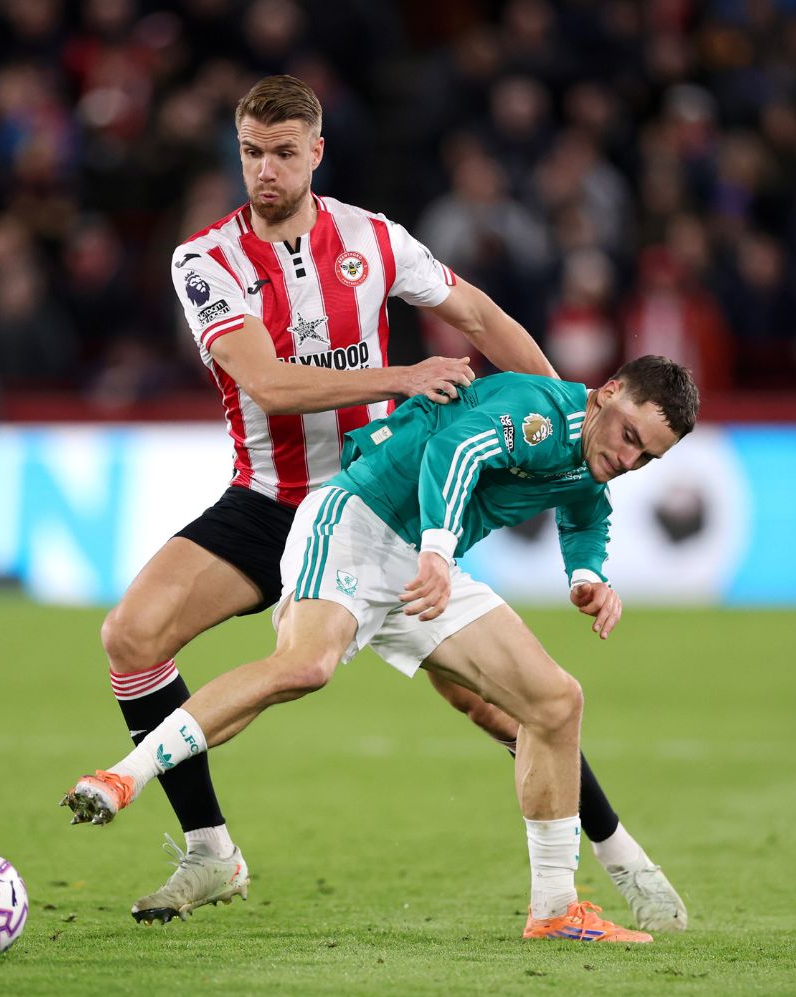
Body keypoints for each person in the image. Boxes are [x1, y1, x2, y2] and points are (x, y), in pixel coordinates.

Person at [86, 74, 685, 932]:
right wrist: (404, 375)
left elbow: (476, 314)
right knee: (131, 637)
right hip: (270, 497)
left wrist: (560, 423)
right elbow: (267, 384)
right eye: (252, 153)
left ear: (316, 153)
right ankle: (209, 850)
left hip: (381, 497)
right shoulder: (204, 259)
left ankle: (611, 851)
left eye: (285, 154)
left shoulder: (372, 237)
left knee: (503, 704)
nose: (266, 172)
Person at [65, 356, 698, 943]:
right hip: (358, 524)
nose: (628, 457)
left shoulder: (589, 454)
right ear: (607, 394)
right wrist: (439, 551)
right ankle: (125, 777)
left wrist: (587, 577)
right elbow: (455, 449)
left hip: (422, 560)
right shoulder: (541, 412)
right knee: (306, 666)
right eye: (629, 436)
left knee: (555, 701)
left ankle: (556, 910)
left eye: (648, 458)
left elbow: (586, 511)